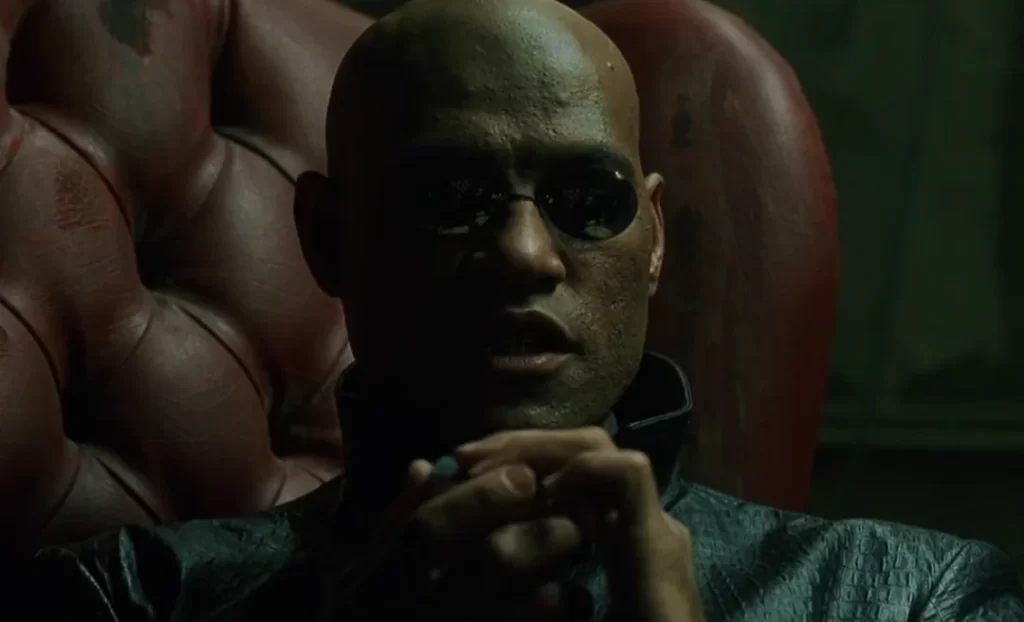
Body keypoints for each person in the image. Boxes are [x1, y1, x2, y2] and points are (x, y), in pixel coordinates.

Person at [15, 0, 1023, 620]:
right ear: (326, 238)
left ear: (653, 238)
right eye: (451, 199)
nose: (526, 254)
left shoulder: (910, 596)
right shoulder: (127, 599)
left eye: (588, 201)